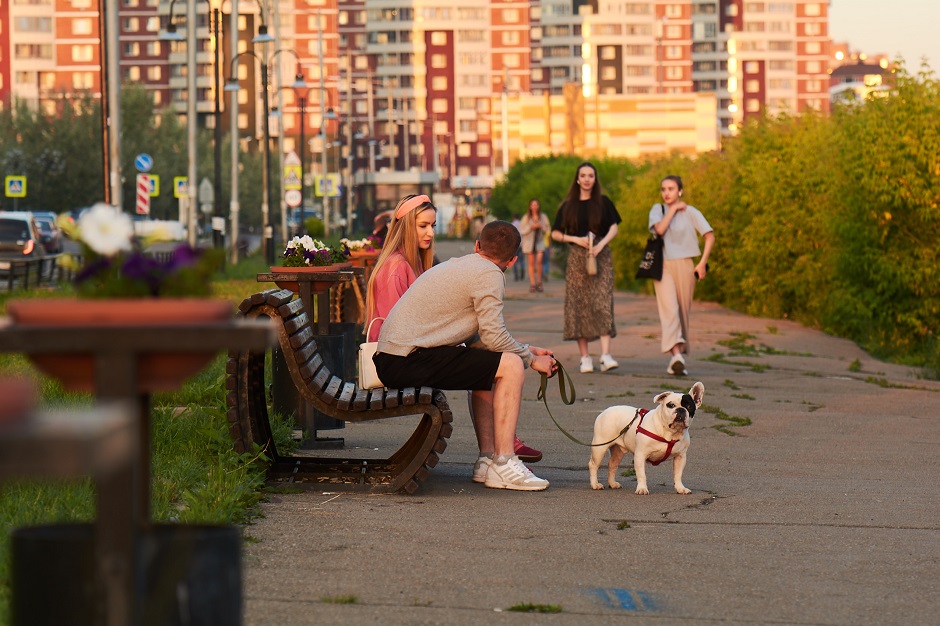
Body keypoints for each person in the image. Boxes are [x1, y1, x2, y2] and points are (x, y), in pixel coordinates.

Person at [373, 221, 557, 491]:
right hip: (405, 359)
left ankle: (488, 460)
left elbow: (484, 341)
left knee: (492, 364)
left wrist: (527, 348)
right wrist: (529, 358)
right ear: (513, 260)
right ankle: (504, 463)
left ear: (477, 245)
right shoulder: (490, 274)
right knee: (511, 365)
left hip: (395, 358)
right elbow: (494, 337)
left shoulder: (460, 265)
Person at [551, 161, 622, 374]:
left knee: (602, 301)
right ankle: (585, 358)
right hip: (577, 257)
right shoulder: (568, 205)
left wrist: (601, 244)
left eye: (591, 175)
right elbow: (555, 233)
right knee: (579, 304)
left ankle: (606, 355)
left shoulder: (604, 202)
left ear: (595, 178)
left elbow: (614, 227)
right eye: (583, 175)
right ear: (577, 179)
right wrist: (574, 239)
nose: (587, 179)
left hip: (601, 255)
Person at [649, 175, 715, 376]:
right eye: (663, 189)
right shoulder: (658, 210)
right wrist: (674, 209)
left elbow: (709, 236)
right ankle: (676, 356)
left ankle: (676, 357)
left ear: (680, 191)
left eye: (671, 189)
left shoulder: (691, 212)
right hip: (662, 265)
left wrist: (702, 263)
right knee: (670, 309)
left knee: (682, 312)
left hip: (686, 264)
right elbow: (659, 230)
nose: (666, 193)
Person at [365, 195, 437, 343]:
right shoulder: (396, 267)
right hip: (396, 351)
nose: (431, 233)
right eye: (423, 226)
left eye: (432, 226)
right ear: (406, 227)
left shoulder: (414, 261)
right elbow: (395, 328)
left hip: (411, 345)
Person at [519, 199, 551, 292]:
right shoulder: (526, 217)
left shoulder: (543, 217)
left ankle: (539, 282)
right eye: (533, 205)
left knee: (539, 261)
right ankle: (533, 283)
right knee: (531, 263)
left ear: (538, 206)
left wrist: (541, 226)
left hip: (540, 241)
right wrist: (531, 227)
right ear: (530, 206)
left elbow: (548, 229)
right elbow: (522, 230)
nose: (534, 206)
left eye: (536, 204)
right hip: (529, 242)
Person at [510, 214, 526, 282]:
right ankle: (522, 271)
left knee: (515, 261)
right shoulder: (521, 224)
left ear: (513, 217)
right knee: (522, 260)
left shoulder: (512, 224)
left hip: (515, 245)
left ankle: (516, 275)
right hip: (522, 244)